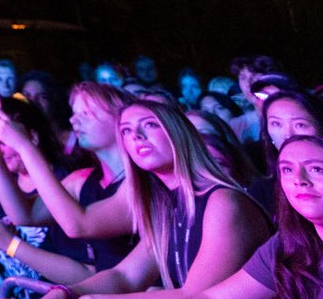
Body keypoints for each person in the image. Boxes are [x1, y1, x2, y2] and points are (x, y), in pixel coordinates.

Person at [38, 100, 272, 295]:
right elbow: (125, 276)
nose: (137, 136)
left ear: (178, 133)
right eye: (126, 131)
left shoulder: (223, 202)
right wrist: (68, 292)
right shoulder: (166, 207)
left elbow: (194, 295)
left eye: (149, 125)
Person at [0, 81, 140, 274]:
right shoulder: (82, 179)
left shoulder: (139, 184)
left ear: (121, 120)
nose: (73, 120)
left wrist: (24, 145)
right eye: (74, 112)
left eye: (86, 113)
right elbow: (23, 215)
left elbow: (78, 225)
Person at [0, 94, 98, 288]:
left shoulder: (66, 184)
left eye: (2, 139)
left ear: (32, 136)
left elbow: (88, 277)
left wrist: (10, 243)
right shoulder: (3, 185)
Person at [169, 134, 323, 299]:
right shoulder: (286, 243)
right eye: (287, 169)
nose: (298, 180)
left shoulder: (227, 203)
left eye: (316, 169)